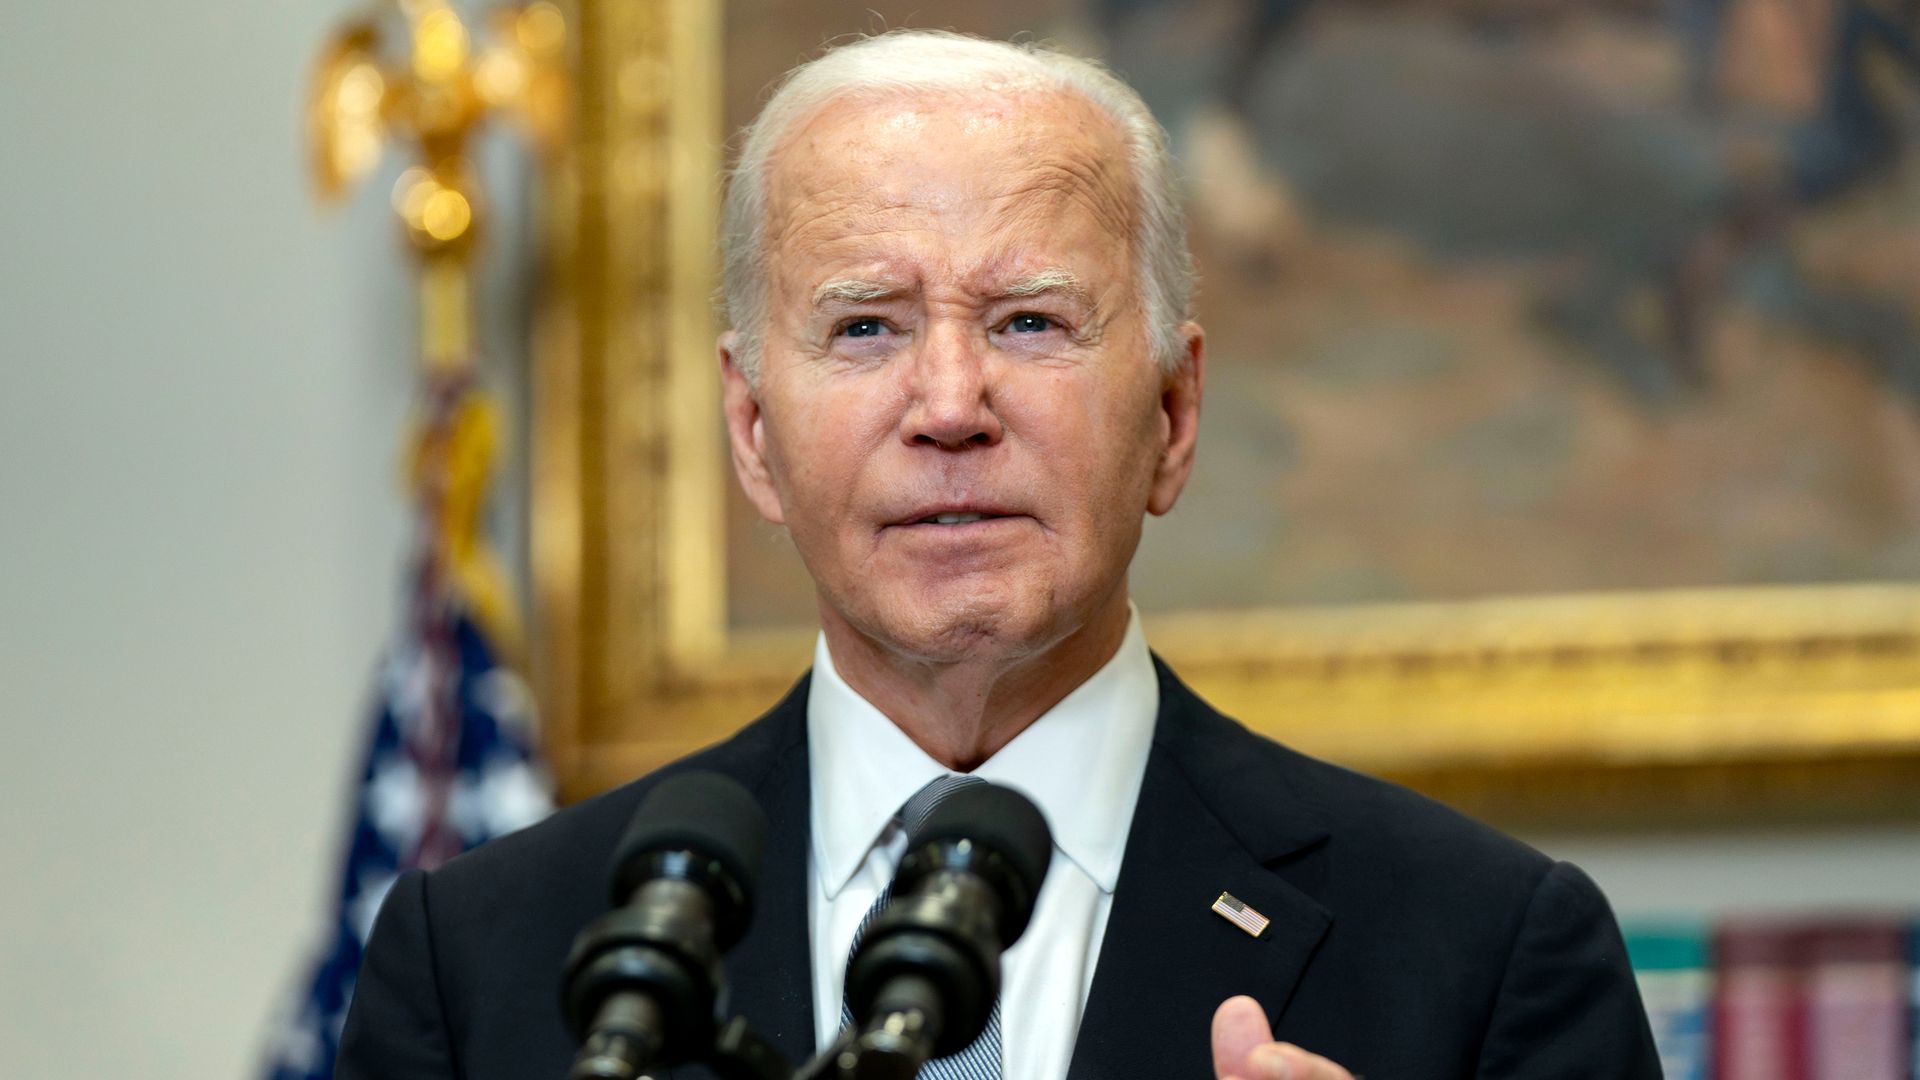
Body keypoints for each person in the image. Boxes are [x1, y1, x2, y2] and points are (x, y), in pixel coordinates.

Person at [337, 30, 1661, 1080]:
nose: (950, 403)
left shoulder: (1490, 951)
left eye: (1029, 322)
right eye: (866, 327)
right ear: (751, 432)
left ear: (1173, 415)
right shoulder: (482, 963)